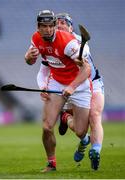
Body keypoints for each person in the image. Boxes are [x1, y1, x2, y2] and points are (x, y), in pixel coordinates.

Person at [25, 10, 92, 172]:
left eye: (50, 26)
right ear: (38, 26)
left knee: (80, 131)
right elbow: (30, 61)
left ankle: (66, 116)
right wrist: (28, 57)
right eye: (44, 26)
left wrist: (72, 87)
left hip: (79, 86)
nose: (47, 29)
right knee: (47, 126)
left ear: (55, 26)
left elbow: (86, 69)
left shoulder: (68, 43)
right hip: (56, 83)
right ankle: (51, 163)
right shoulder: (35, 38)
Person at [37, 12, 104, 170]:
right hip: (62, 85)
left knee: (92, 118)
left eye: (63, 25)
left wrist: (80, 59)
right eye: (57, 25)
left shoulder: (77, 41)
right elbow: (44, 67)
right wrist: (43, 86)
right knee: (48, 125)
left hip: (88, 82)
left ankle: (93, 148)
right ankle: (66, 119)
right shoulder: (52, 42)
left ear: (70, 27)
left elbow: (86, 65)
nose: (59, 27)